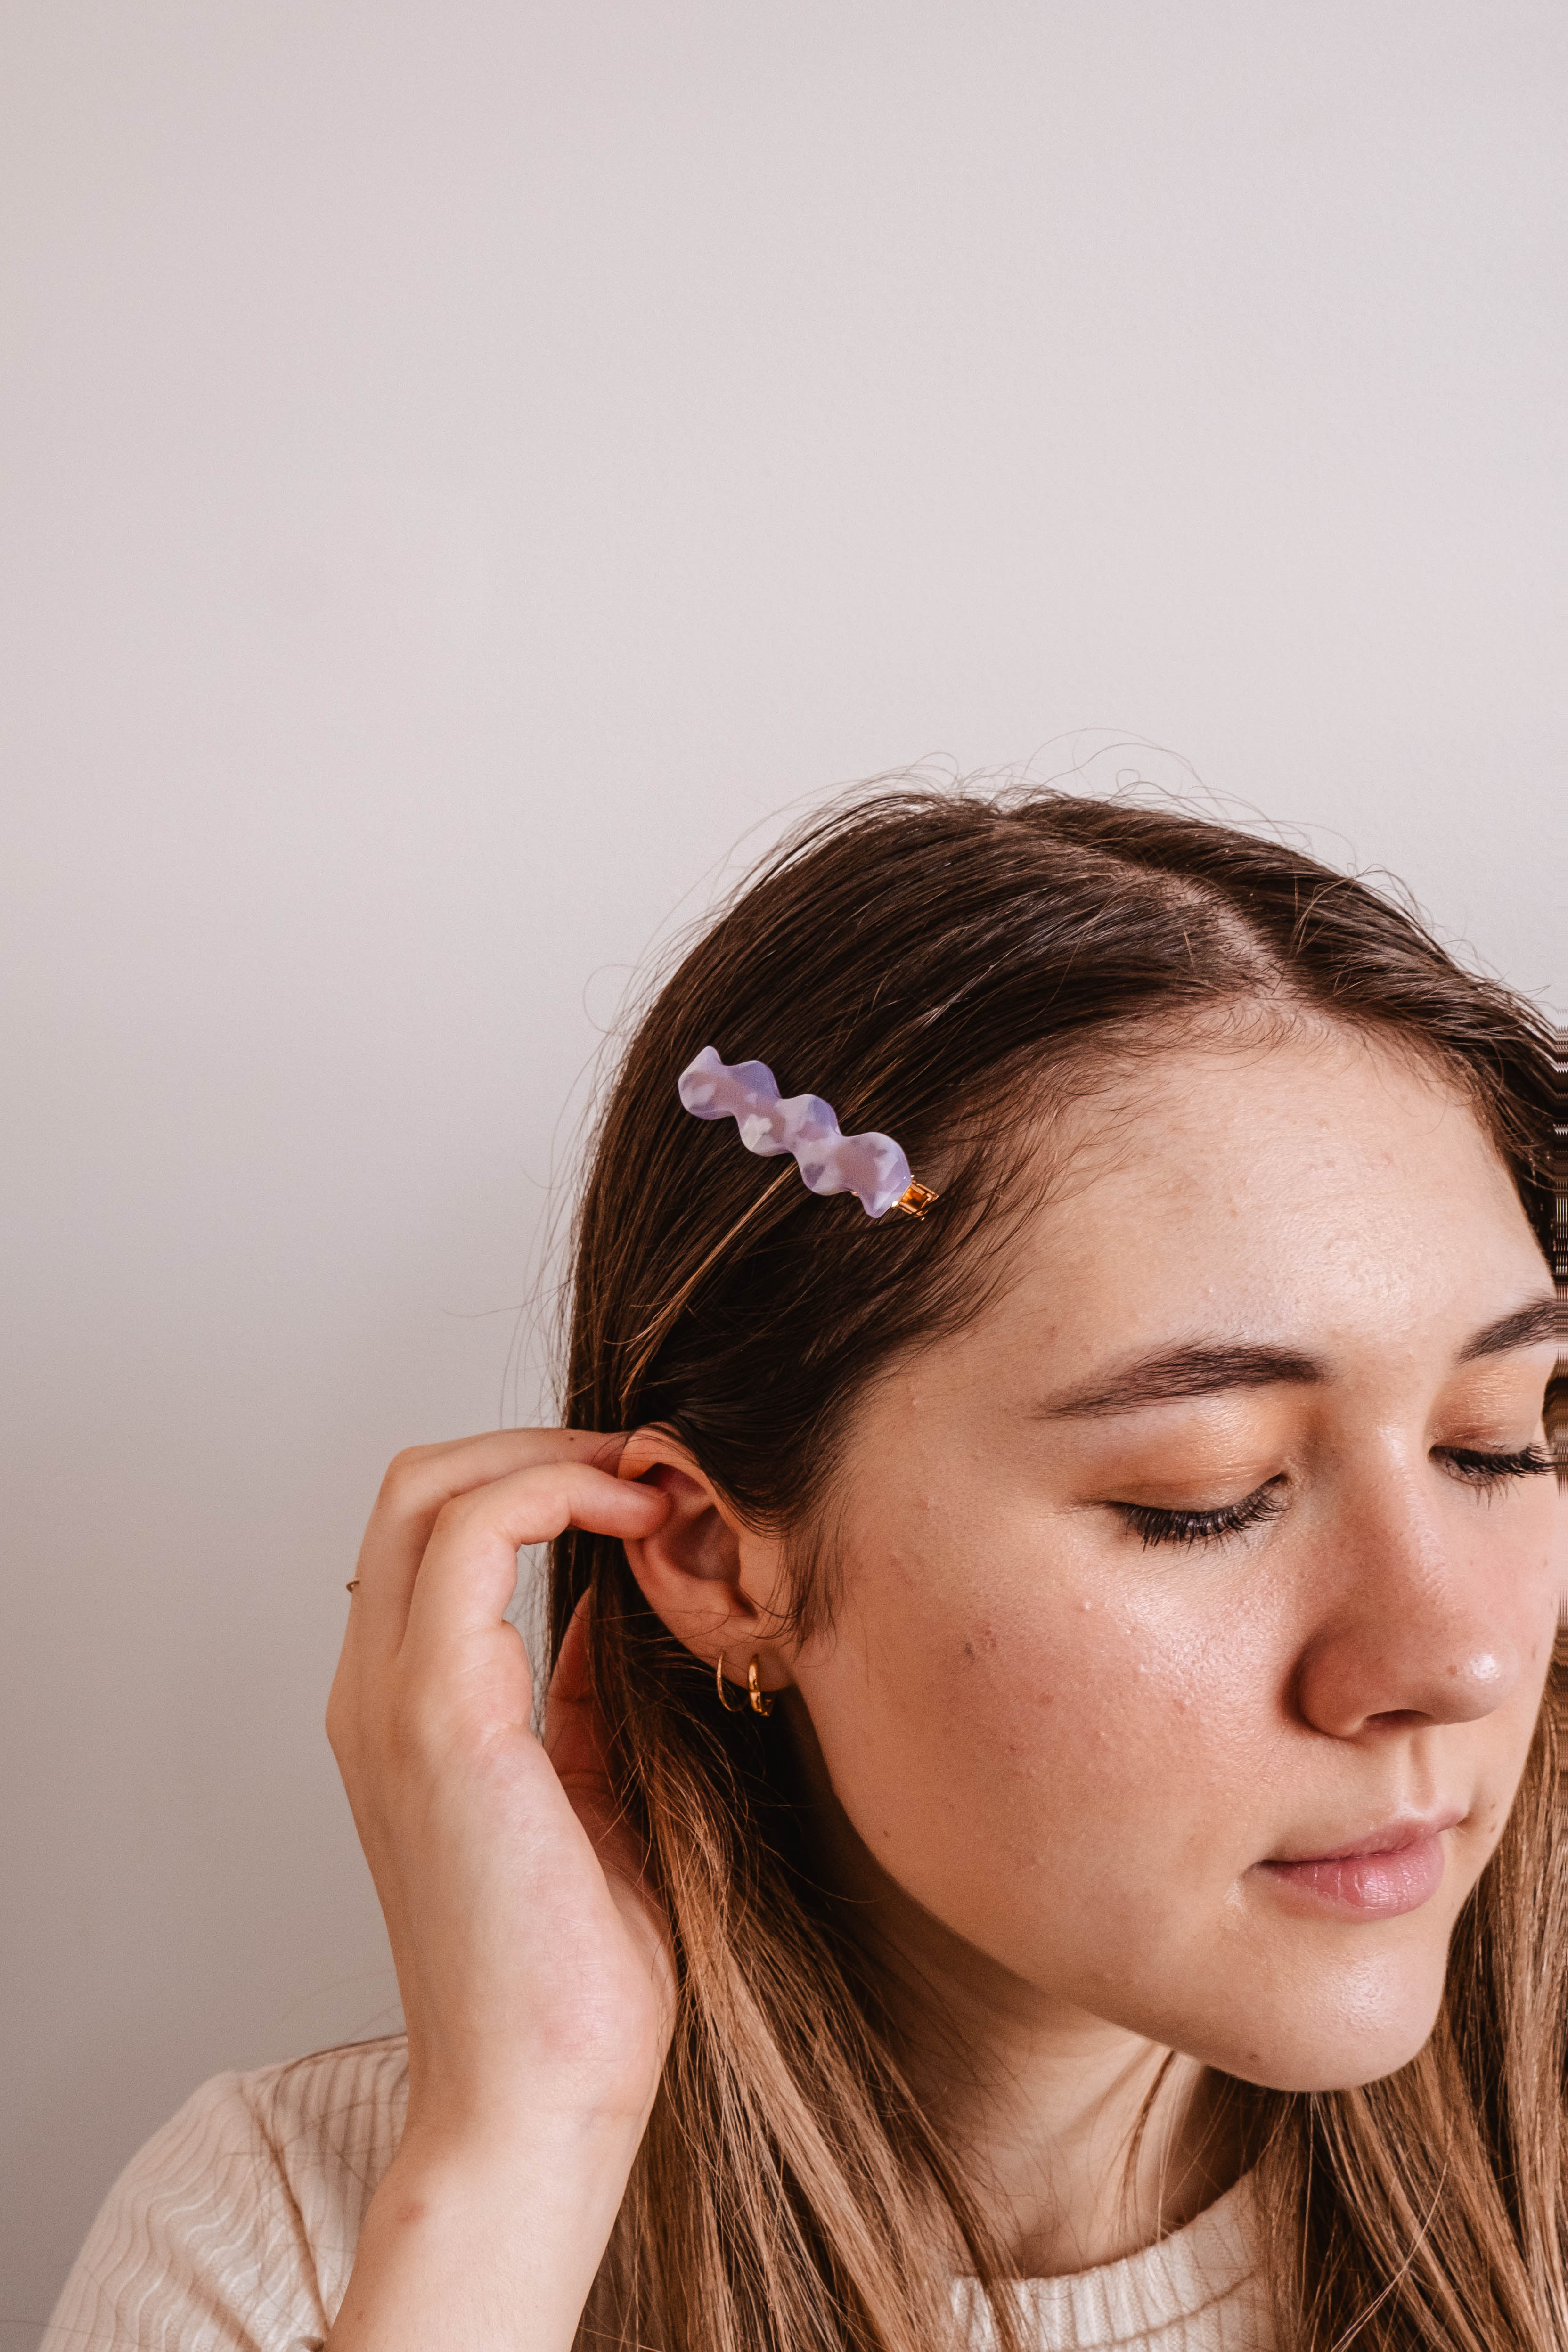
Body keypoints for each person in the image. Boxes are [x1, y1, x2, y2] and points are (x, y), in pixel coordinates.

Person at [45, 789, 1562, 2352]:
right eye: (1209, 1498)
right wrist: (525, 2157)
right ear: (716, 1556)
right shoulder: (303, 2259)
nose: (1459, 1658)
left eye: (1505, 1443)